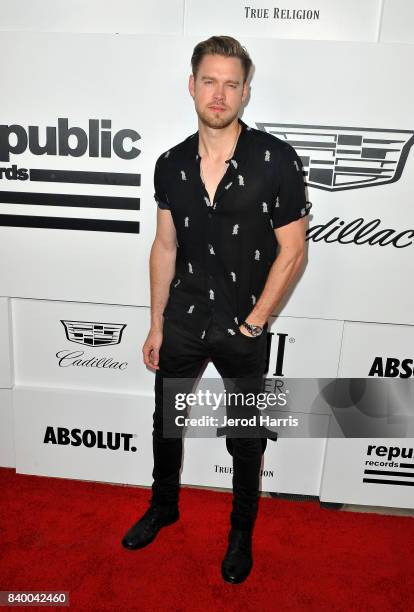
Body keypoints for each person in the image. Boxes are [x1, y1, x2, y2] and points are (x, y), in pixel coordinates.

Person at [121, 35, 310, 584]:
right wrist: (156, 324)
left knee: (245, 436)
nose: (219, 93)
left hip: (242, 327)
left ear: (246, 92)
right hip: (182, 321)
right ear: (192, 85)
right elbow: (164, 247)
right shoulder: (170, 163)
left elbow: (294, 250)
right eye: (210, 80)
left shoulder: (275, 159)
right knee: (166, 424)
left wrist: (257, 322)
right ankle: (163, 507)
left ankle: (241, 531)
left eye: (232, 83)